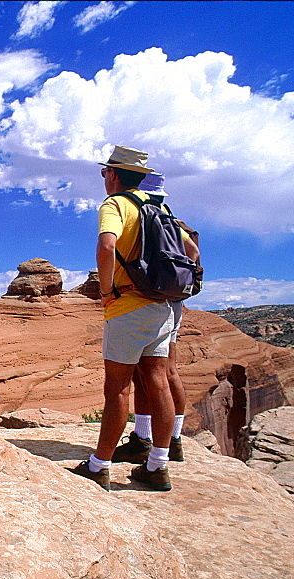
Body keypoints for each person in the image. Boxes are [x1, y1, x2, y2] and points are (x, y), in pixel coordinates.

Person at [71, 146, 198, 491]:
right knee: (158, 381)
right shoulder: (161, 208)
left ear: (113, 174)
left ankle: (99, 465)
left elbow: (107, 247)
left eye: (104, 173)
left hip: (127, 308)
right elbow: (193, 252)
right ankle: (157, 466)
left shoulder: (115, 205)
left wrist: (108, 290)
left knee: (117, 390)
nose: (104, 178)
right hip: (161, 306)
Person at [113, 172, 200, 465]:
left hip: (154, 299)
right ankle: (161, 440)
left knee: (158, 374)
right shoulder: (169, 217)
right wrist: (182, 280)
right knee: (158, 374)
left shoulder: (148, 213)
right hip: (171, 298)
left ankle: (156, 441)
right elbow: (194, 252)